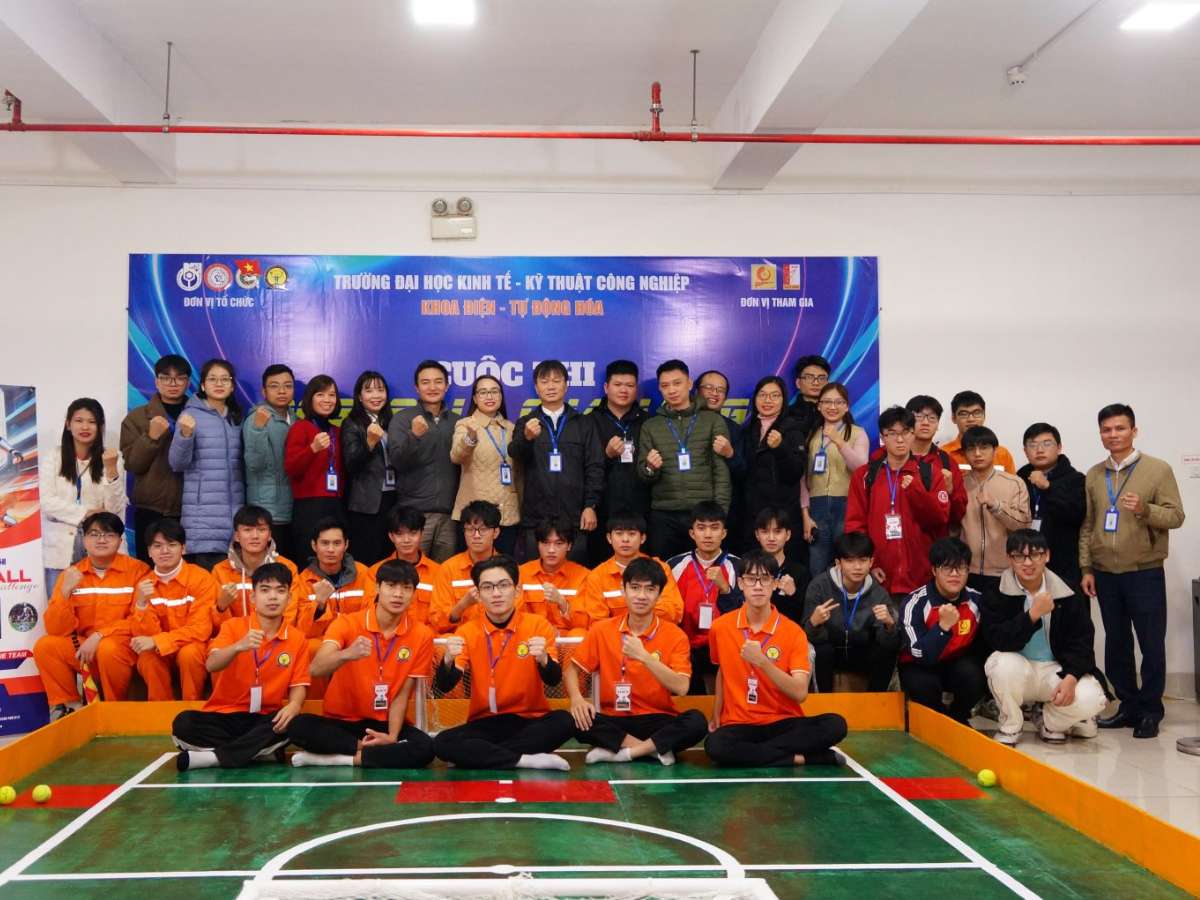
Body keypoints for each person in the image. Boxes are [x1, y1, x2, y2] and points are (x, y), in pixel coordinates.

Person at [1080, 404, 1185, 739]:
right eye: (1107, 429)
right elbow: (1088, 525)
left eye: (1120, 428)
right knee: (1116, 642)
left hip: (1144, 571)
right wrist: (1087, 567)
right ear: (1100, 434)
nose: (1113, 435)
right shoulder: (1094, 474)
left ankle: (1150, 711)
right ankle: (1127, 706)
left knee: (1151, 643)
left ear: (1134, 431)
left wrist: (1145, 509)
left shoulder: (1158, 469)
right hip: (1105, 573)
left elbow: (1176, 516)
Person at [288, 559, 437, 769]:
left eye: (406, 588)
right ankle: (365, 750)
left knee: (426, 748)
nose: (398, 594)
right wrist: (347, 654)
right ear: (377, 588)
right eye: (391, 586)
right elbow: (315, 668)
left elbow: (402, 694)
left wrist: (392, 736)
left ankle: (342, 759)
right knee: (298, 726)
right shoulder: (347, 623)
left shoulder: (422, 634)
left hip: (385, 723)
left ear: (413, 593)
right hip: (342, 722)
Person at [705, 550, 848, 767]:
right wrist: (716, 713)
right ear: (741, 584)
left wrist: (763, 662)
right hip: (739, 722)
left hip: (784, 721)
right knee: (715, 745)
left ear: (774, 584)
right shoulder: (720, 627)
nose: (758, 586)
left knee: (836, 725)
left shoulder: (793, 632)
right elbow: (722, 671)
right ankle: (802, 758)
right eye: (751, 579)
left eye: (765, 579)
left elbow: (800, 693)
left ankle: (758, 754)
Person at [432, 555, 575, 770]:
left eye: (503, 585)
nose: (496, 593)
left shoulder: (538, 625)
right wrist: (447, 661)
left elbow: (553, 680)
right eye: (487, 587)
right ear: (478, 594)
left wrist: (544, 659)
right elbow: (445, 685)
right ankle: (525, 759)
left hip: (530, 719)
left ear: (517, 591)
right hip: (485, 721)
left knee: (565, 721)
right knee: (442, 743)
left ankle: (481, 756)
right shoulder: (467, 631)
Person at [566, 557, 708, 765]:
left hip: (656, 718)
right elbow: (571, 669)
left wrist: (644, 657)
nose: (641, 596)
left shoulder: (675, 635)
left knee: (697, 721)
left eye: (650, 589)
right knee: (571, 720)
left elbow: (681, 687)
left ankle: (625, 753)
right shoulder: (602, 630)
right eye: (635, 588)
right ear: (623, 590)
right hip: (614, 718)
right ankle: (652, 750)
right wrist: (577, 699)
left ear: (659, 594)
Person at [172, 563, 309, 770]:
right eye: (265, 590)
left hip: (264, 718)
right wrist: (238, 647)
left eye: (280, 591)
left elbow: (299, 684)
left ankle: (215, 758)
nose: (273, 597)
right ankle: (258, 752)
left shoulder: (297, 639)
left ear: (289, 598)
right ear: (253, 597)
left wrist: (295, 705)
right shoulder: (232, 627)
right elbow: (211, 664)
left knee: (294, 724)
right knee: (183, 723)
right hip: (224, 715)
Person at [981, 530, 1107, 745]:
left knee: (1092, 697)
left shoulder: (1067, 590)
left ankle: (1049, 721)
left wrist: (1071, 677)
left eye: (1035, 555)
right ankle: (1011, 725)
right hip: (1018, 667)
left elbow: (1083, 641)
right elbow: (998, 640)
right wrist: (1032, 615)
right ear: (1010, 559)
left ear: (1047, 556)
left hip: (1054, 670)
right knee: (1001, 664)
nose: (1028, 563)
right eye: (1019, 556)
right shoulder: (996, 591)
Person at [33, 512, 151, 718]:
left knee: (108, 647)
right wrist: (64, 593)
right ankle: (70, 709)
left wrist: (100, 635)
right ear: (84, 539)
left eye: (109, 535)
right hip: (86, 650)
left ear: (120, 540)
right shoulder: (71, 574)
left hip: (124, 649)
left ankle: (114, 710)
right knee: (46, 646)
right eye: (94, 534)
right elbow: (56, 629)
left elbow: (141, 619)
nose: (101, 540)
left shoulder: (139, 571)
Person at [844, 407, 951, 600]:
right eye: (892, 433)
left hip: (922, 575)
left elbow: (939, 519)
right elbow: (855, 524)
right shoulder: (865, 475)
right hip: (880, 575)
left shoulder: (930, 473)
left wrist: (917, 491)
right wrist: (869, 564)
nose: (900, 440)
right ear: (882, 437)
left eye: (905, 432)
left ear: (913, 434)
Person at [508, 359, 603, 564]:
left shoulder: (584, 423)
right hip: (536, 518)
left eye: (556, 381)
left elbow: (594, 466)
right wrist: (526, 438)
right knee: (534, 576)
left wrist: (590, 505)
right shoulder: (526, 422)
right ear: (536, 388)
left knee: (575, 575)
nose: (550, 386)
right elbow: (515, 454)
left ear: (566, 385)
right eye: (544, 382)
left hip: (575, 517)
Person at [637, 360, 731, 560]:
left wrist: (719, 514)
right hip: (664, 515)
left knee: (702, 571)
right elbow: (644, 475)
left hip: (703, 515)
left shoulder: (712, 421)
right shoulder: (651, 426)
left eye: (677, 383)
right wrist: (650, 467)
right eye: (665, 385)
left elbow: (721, 473)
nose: (671, 390)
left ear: (689, 383)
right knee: (664, 571)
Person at [124, 519, 217, 700]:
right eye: (157, 546)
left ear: (183, 548)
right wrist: (141, 604)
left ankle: (191, 708)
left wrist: (158, 641)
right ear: (149, 551)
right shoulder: (144, 584)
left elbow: (201, 629)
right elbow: (143, 637)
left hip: (192, 645)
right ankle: (161, 710)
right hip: (160, 651)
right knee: (147, 658)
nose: (164, 551)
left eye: (171, 545)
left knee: (190, 653)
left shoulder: (201, 578)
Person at [40, 398, 126, 591]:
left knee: (102, 604)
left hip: (100, 542)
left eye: (92, 421)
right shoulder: (54, 457)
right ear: (68, 424)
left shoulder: (113, 457)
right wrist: (86, 513)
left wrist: (111, 469)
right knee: (60, 602)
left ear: (100, 426)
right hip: (61, 545)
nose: (85, 427)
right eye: (79, 421)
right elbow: (47, 502)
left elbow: (114, 508)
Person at [898, 537, 986, 724]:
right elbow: (919, 654)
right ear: (934, 570)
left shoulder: (976, 600)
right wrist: (942, 628)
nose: (955, 574)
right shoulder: (915, 603)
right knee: (922, 684)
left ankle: (957, 718)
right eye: (947, 568)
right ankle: (938, 721)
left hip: (955, 663)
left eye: (961, 568)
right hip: (920, 664)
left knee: (975, 675)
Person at [168, 358, 245, 570]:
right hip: (202, 520)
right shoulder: (190, 415)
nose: (219, 384)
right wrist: (184, 435)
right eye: (212, 379)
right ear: (202, 385)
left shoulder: (237, 418)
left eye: (225, 379)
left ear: (232, 386)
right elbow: (176, 463)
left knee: (232, 585)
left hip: (235, 519)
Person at [803, 531, 898, 693]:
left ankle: (876, 701)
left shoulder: (878, 593)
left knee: (885, 652)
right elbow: (807, 636)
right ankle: (824, 702)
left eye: (863, 560)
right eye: (850, 561)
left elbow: (890, 643)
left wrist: (889, 625)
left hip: (861, 651)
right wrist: (813, 623)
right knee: (822, 651)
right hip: (831, 651)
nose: (857, 567)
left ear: (871, 562)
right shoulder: (819, 587)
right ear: (838, 563)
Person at [386, 360, 460, 562]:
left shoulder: (458, 421)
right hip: (414, 516)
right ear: (416, 388)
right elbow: (397, 461)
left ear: (447, 386)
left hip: (450, 516)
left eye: (438, 381)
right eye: (425, 382)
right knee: (411, 572)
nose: (432, 387)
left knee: (444, 573)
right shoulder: (402, 419)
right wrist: (414, 436)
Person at [667, 502, 743, 694]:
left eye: (714, 528)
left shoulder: (738, 567)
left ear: (724, 533)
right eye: (701, 528)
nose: (708, 535)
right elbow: (666, 610)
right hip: (685, 644)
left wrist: (725, 589)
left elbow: (745, 616)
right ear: (692, 533)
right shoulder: (674, 565)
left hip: (725, 645)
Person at [121, 354, 191, 561]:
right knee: (148, 570)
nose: (173, 383)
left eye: (179, 378)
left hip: (189, 511)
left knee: (187, 573)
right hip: (150, 510)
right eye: (166, 378)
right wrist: (151, 437)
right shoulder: (137, 418)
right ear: (156, 381)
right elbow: (133, 464)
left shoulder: (198, 416)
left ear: (188, 382)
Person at [586, 360, 651, 566]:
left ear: (636, 389)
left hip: (642, 508)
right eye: (618, 384)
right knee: (602, 568)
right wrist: (606, 455)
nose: (624, 390)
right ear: (606, 387)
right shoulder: (589, 421)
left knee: (641, 570)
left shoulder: (649, 421)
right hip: (603, 509)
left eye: (630, 385)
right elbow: (582, 467)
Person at [801, 382, 869, 574]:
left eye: (839, 402)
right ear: (819, 406)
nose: (832, 407)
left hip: (847, 504)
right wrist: (805, 514)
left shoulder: (857, 433)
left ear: (847, 406)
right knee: (817, 566)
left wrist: (840, 442)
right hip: (817, 506)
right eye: (827, 402)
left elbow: (861, 469)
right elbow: (803, 477)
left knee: (846, 563)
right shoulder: (811, 435)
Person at [451, 374, 521, 556]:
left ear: (501, 396)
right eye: (483, 392)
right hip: (475, 515)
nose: (489, 396)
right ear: (475, 398)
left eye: (494, 391)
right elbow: (456, 456)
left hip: (507, 513)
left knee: (503, 567)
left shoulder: (512, 428)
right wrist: (470, 439)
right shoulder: (465, 424)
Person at [738, 376, 807, 558]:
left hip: (782, 514)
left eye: (775, 395)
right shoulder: (747, 431)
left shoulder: (793, 430)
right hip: (752, 515)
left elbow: (795, 473)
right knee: (753, 567)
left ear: (783, 400)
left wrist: (780, 448)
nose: (767, 400)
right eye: (762, 395)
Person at [960, 426, 1032, 596]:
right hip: (966, 570)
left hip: (1004, 571)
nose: (977, 453)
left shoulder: (1014, 483)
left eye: (984, 447)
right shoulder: (959, 484)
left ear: (995, 451)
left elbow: (1023, 524)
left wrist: (996, 506)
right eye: (971, 449)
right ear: (964, 453)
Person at [581, 512, 683, 626]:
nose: (625, 539)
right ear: (609, 538)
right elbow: (597, 621)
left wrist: (638, 620)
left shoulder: (661, 568)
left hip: (656, 632)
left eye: (632, 534)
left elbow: (674, 612)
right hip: (615, 635)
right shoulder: (597, 576)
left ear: (643, 538)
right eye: (619, 533)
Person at [1017, 422, 1086, 588]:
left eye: (1046, 444)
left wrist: (1048, 488)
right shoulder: (1018, 480)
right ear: (1025, 451)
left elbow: (1077, 515)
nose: (1039, 450)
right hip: (1026, 560)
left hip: (1065, 562)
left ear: (1059, 447)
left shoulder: (1076, 479)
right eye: (1033, 445)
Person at [284, 374, 344, 562]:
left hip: (336, 503)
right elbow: (291, 468)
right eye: (320, 394)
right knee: (308, 559)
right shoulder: (300, 427)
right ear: (310, 398)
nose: (327, 399)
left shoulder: (337, 431)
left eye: (332, 395)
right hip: (309, 505)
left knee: (334, 560)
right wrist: (312, 449)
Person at [294, 518, 376, 656]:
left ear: (346, 544)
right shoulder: (303, 581)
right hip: (323, 645)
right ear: (314, 545)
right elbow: (304, 631)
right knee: (307, 647)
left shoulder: (364, 573)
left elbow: (372, 616)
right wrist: (319, 605)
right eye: (325, 543)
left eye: (337, 543)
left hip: (358, 640)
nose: (331, 549)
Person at [212, 505, 301, 629]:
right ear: (236, 536)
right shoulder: (220, 570)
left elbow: (289, 617)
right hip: (235, 638)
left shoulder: (287, 568)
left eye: (261, 530)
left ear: (269, 535)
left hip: (274, 638)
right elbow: (215, 626)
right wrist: (220, 608)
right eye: (247, 530)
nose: (255, 536)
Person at [341, 370, 397, 566]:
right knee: (367, 559)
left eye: (380, 390)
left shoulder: (391, 422)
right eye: (369, 391)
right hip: (366, 504)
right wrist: (370, 443)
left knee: (388, 559)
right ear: (359, 396)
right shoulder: (352, 423)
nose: (376, 396)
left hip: (392, 499)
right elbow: (351, 464)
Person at [243, 364, 296, 561]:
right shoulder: (257, 418)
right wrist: (257, 429)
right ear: (264, 391)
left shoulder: (296, 419)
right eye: (274, 386)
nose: (282, 391)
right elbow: (254, 463)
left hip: (291, 508)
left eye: (287, 386)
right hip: (267, 509)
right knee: (270, 569)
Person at [430, 500, 503, 632]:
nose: (476, 535)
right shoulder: (448, 568)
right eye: (470, 529)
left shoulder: (508, 568)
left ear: (496, 532)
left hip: (498, 637)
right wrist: (462, 605)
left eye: (483, 529)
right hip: (459, 639)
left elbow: (516, 614)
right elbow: (437, 622)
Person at [369, 505, 444, 626]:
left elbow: (441, 617)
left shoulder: (439, 572)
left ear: (422, 534)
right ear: (391, 536)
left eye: (413, 533)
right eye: (399, 534)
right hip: (387, 634)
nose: (406, 540)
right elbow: (369, 611)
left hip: (426, 635)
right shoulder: (375, 571)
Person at [905, 395, 966, 537]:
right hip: (897, 541)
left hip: (935, 542)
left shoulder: (947, 462)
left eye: (932, 418)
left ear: (938, 425)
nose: (926, 422)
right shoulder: (890, 458)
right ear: (907, 421)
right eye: (919, 417)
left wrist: (950, 492)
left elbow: (958, 515)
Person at [517, 518, 591, 635]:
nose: (551, 550)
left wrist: (562, 603)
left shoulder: (584, 576)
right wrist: (543, 630)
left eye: (559, 543)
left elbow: (583, 624)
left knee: (580, 633)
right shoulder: (521, 573)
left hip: (566, 638)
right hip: (532, 635)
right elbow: (515, 616)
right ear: (538, 544)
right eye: (545, 543)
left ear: (569, 546)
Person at [752, 507, 810, 625]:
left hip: (786, 632)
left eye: (777, 531)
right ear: (757, 535)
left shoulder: (799, 572)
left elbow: (805, 618)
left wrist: (793, 594)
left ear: (788, 535)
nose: (771, 538)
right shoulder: (748, 568)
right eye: (765, 531)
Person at [941, 391, 1016, 474]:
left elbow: (1012, 482)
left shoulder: (1002, 453)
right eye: (964, 414)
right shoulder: (944, 453)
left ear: (984, 416)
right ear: (953, 418)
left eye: (976, 413)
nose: (971, 419)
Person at [788, 354, 830, 442]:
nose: (816, 383)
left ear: (827, 383)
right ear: (798, 383)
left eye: (821, 378)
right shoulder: (787, 413)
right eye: (809, 377)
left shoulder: (835, 413)